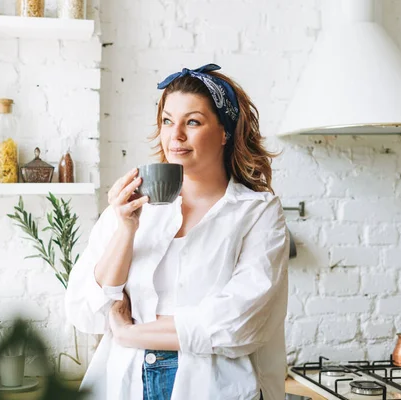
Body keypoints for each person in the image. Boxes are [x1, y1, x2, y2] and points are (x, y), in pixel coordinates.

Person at [65, 64, 289, 400]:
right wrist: (126, 229)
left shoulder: (257, 212)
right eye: (168, 120)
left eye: (193, 122)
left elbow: (238, 325)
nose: (175, 135)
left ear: (225, 132)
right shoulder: (131, 206)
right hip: (125, 385)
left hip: (212, 389)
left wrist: (129, 333)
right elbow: (85, 309)